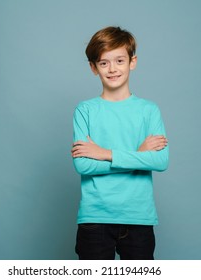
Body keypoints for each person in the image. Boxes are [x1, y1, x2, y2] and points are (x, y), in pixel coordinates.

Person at [71, 26, 169, 260]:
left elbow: (161, 160)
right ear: (93, 68)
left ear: (132, 62)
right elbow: (83, 166)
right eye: (104, 63)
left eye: (119, 60)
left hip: (138, 217)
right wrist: (138, 155)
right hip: (95, 218)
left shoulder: (149, 110)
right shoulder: (85, 110)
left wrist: (104, 153)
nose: (112, 69)